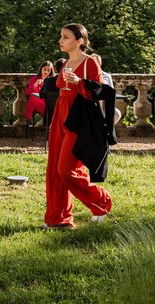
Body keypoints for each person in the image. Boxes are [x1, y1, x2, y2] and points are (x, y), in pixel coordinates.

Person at [44, 23, 112, 229]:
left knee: (67, 169)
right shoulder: (64, 64)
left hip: (79, 119)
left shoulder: (90, 62)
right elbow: (58, 88)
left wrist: (79, 82)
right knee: (54, 169)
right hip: (60, 117)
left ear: (79, 41)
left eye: (65, 37)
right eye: (61, 36)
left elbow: (98, 91)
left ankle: (101, 202)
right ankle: (58, 218)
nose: (60, 40)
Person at [90, 53, 122, 124]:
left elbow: (111, 90)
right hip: (91, 104)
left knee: (117, 113)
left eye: (97, 62)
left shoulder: (107, 76)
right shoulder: (86, 75)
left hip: (104, 104)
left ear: (100, 63)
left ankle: (106, 132)